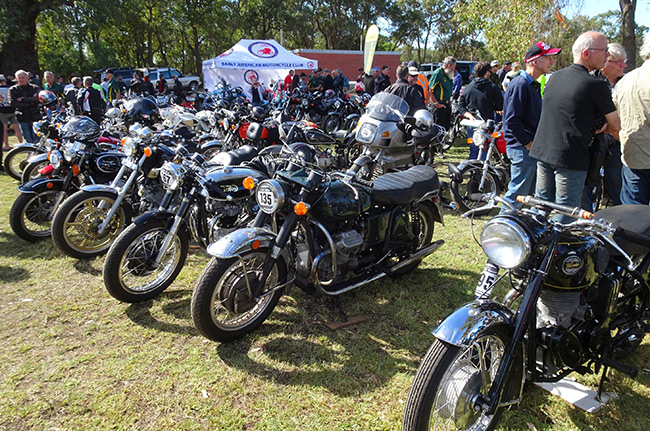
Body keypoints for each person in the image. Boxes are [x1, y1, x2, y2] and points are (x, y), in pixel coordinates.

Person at [529, 31, 620, 223]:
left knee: (541, 209)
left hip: (543, 151)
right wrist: (604, 126)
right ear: (586, 54)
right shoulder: (595, 84)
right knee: (566, 212)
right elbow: (615, 124)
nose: (607, 56)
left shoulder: (555, 77)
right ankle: (560, 252)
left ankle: (537, 250)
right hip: (570, 156)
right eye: (604, 51)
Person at [502, 42, 561, 209]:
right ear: (535, 61)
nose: (551, 61)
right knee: (516, 194)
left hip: (528, 148)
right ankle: (501, 229)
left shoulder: (531, 84)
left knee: (530, 195)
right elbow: (512, 121)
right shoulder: (521, 84)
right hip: (523, 149)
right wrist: (529, 145)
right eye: (547, 58)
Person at [583, 43, 628, 209]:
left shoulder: (628, 83)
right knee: (586, 191)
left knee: (619, 190)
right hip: (592, 145)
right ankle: (586, 229)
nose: (623, 65)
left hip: (617, 146)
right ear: (605, 61)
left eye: (624, 61)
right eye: (618, 61)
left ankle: (621, 230)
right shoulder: (590, 80)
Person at [614, 34, 650, 205]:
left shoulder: (626, 80)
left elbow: (613, 119)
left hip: (632, 156)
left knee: (632, 215)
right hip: (634, 156)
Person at [458, 61, 503, 159]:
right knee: (484, 150)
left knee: (474, 150)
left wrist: (469, 115)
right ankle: (481, 172)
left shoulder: (468, 88)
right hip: (487, 124)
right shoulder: (493, 87)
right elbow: (500, 106)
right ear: (487, 72)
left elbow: (460, 106)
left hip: (472, 124)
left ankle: (474, 172)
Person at [8, 69, 41, 143]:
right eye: (19, 78)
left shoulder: (34, 88)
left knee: (39, 138)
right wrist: (31, 102)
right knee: (28, 139)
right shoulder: (13, 90)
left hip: (35, 116)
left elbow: (38, 99)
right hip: (22, 117)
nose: (21, 79)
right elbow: (13, 103)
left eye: (23, 77)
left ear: (27, 78)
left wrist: (22, 99)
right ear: (16, 79)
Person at [428, 57, 456, 130]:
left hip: (446, 105)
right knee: (438, 129)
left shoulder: (448, 74)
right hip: (439, 106)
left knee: (446, 128)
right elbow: (430, 90)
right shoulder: (438, 73)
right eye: (453, 66)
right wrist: (436, 103)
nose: (454, 69)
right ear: (449, 65)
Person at [0, 74, 24, 151]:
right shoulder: (10, 88)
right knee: (17, 129)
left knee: (4, 129)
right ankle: (21, 144)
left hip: (2, 111)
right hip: (13, 109)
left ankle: (6, 145)